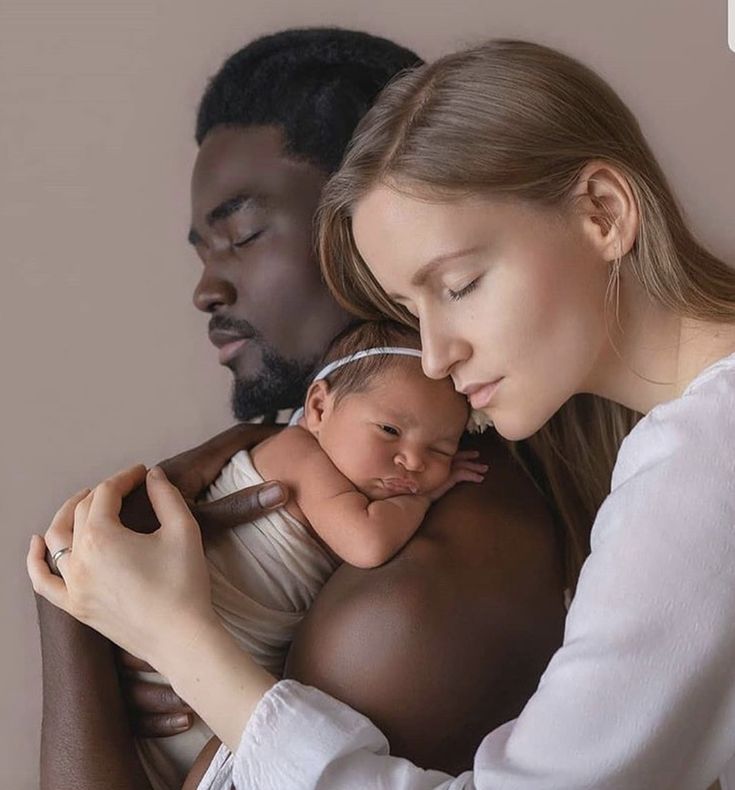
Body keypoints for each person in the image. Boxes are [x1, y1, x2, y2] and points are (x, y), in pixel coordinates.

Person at [29, 37, 735, 789]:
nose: (434, 359)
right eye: (406, 307)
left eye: (458, 285)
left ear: (601, 212)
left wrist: (163, 633)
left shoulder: (700, 471)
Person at [136, 318, 488, 785]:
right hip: (170, 683)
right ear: (319, 407)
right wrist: (424, 497)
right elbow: (368, 543)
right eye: (389, 430)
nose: (415, 461)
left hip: (213, 688)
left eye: (442, 449)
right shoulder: (298, 453)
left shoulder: (349, 475)